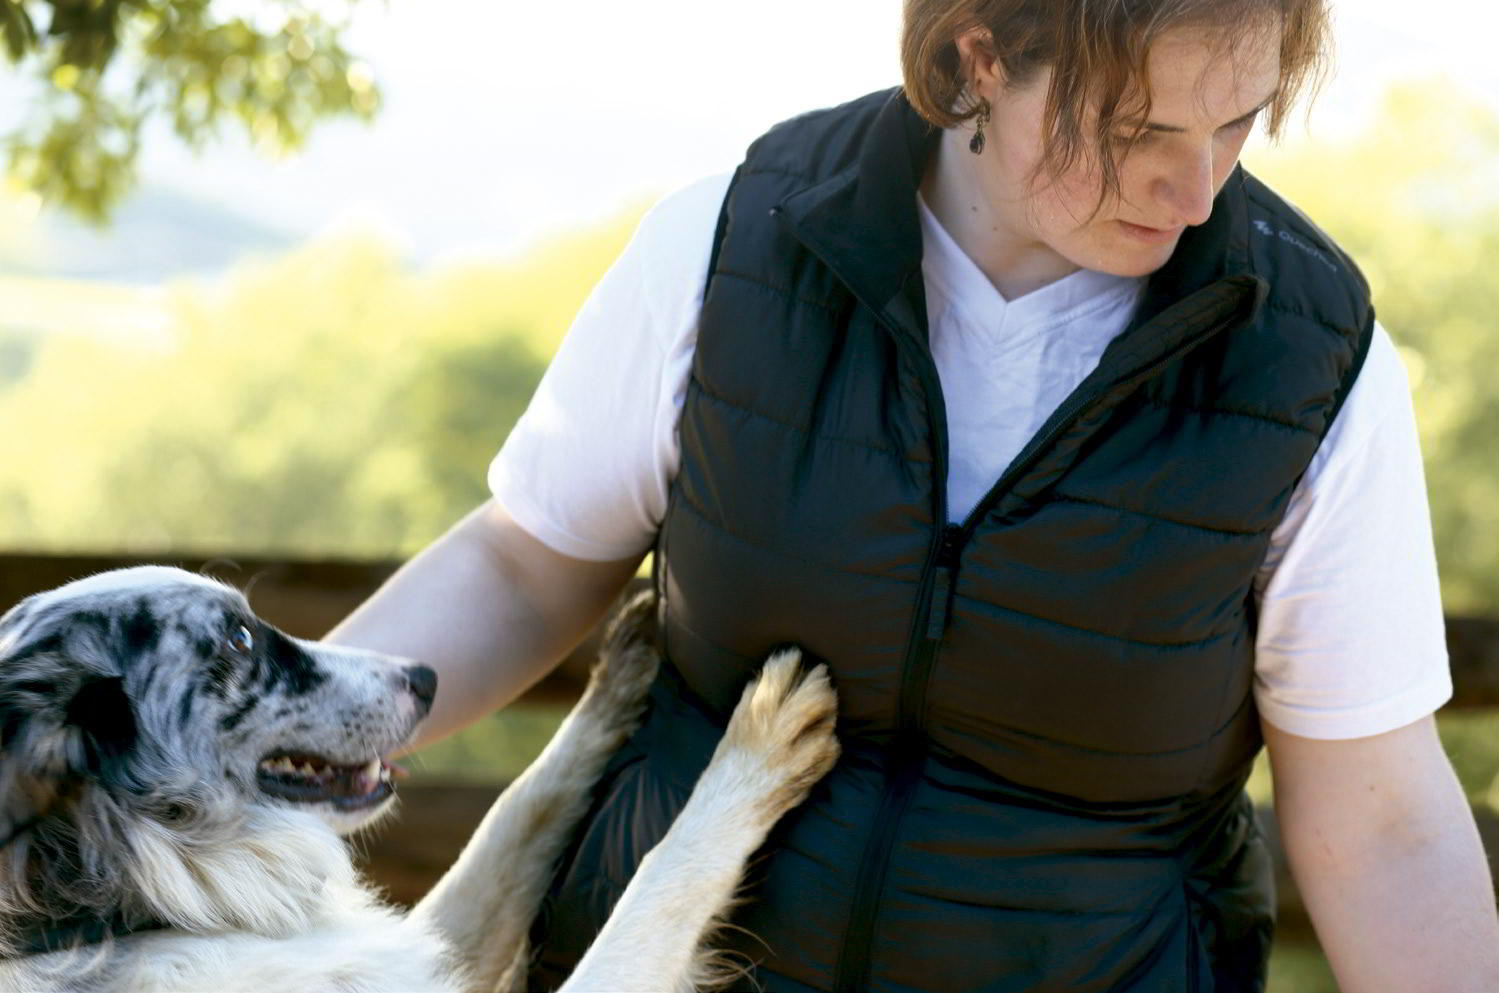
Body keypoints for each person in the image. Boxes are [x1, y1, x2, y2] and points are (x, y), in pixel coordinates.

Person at [329, 1, 1499, 989]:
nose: (1194, 190)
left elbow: (1381, 820)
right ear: (974, 56)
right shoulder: (735, 242)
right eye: (1137, 130)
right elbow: (520, 566)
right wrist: (213, 758)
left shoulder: (1311, 363)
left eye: (1235, 123)